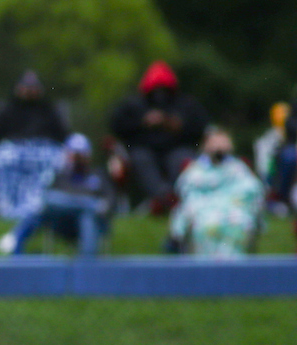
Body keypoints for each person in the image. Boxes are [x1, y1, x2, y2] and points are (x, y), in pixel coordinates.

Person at [110, 61, 209, 213]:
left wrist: (177, 125)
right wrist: (142, 122)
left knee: (182, 159)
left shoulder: (185, 104)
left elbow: (201, 127)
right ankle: (165, 198)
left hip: (177, 148)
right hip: (143, 150)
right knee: (141, 159)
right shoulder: (134, 105)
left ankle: (174, 198)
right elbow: (116, 126)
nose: (160, 94)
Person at [1, 133, 114, 256]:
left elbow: (109, 203)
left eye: (81, 154)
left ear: (88, 155)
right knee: (46, 204)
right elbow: (49, 202)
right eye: (74, 154)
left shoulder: (98, 176)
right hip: (64, 223)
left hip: (92, 223)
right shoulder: (61, 176)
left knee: (86, 217)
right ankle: (16, 246)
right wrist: (91, 204)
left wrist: (97, 208)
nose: (77, 158)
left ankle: (87, 263)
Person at [0, 71, 69, 220]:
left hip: (43, 151)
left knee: (53, 163)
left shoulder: (49, 109)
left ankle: (39, 210)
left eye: (33, 87)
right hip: (13, 150)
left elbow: (63, 137)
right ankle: (6, 210)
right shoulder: (6, 109)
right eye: (26, 87)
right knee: (4, 158)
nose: (29, 91)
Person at [167, 128, 265, 258]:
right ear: (205, 146)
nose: (219, 147)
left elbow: (252, 189)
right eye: (214, 142)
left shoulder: (238, 168)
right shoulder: (195, 170)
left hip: (235, 209)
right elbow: (186, 191)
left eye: (222, 142)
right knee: (204, 225)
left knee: (238, 224)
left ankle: (234, 267)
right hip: (203, 211)